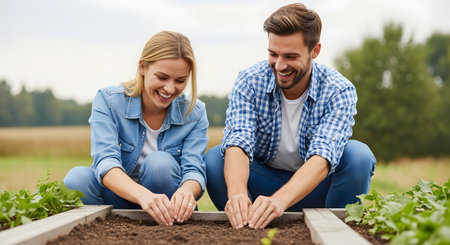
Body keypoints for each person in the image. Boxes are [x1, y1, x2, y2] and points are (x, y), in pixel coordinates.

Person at [205, 3, 376, 229]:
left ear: (314, 51)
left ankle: (335, 230)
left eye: (290, 56)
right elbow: (238, 140)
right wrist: (237, 193)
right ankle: (246, 224)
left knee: (359, 156)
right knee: (216, 159)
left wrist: (280, 201)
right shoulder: (249, 81)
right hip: (262, 187)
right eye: (273, 54)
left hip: (318, 189)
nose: (280, 65)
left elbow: (324, 155)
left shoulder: (339, 90)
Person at [64, 31, 208, 226]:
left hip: (168, 206)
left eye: (180, 81)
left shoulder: (195, 112)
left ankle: (163, 227)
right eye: (162, 77)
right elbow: (106, 162)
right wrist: (143, 196)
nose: (170, 88)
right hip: (119, 199)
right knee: (76, 179)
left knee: (160, 165)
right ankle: (108, 232)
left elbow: (194, 169)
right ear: (142, 67)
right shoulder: (109, 101)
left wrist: (187, 191)